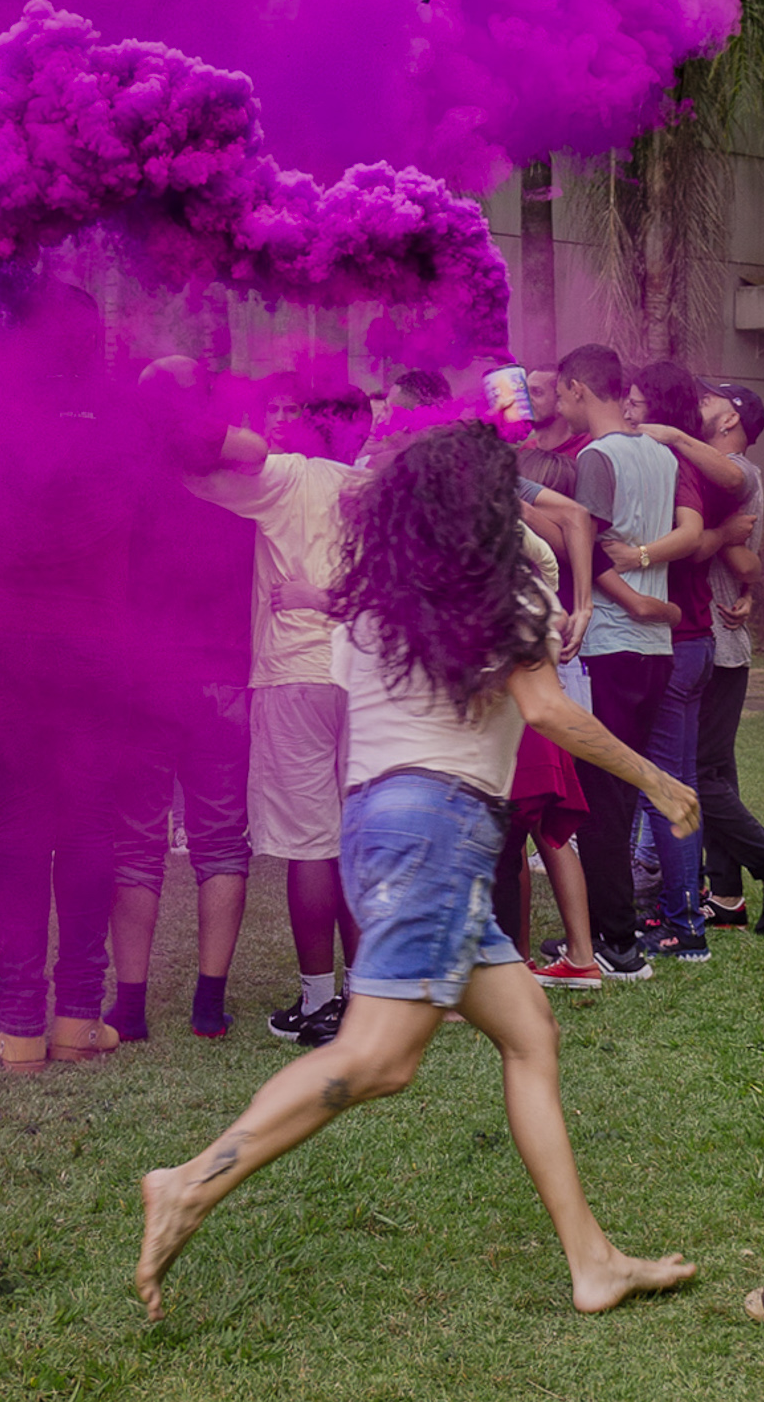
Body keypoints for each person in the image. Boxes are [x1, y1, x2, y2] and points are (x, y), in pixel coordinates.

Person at [135, 419, 699, 1322]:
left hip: (389, 827)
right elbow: (546, 708)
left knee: (529, 1033)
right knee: (378, 1059)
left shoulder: (380, 593)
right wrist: (657, 779)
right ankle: (192, 1181)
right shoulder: (499, 586)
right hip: (438, 827)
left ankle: (593, 1262)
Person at [0, 284, 144, 1072]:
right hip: (94, 643)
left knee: (19, 832)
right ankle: (76, 1019)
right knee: (89, 826)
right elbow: (143, 519)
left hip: (1, 645)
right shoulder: (118, 412)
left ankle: (20, 1025)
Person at [185, 388, 369, 1048]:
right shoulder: (375, 487)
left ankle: (320, 1001)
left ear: (314, 429)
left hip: (296, 671)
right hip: (368, 676)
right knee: (353, 837)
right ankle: (364, 997)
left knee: (311, 844)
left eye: (290, 416)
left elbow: (197, 475)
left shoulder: (291, 474)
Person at [640, 380, 764, 935]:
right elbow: (748, 568)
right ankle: (729, 893)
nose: (702, 403)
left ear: (731, 419)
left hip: (715, 638)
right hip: (719, 634)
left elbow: (743, 561)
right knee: (716, 773)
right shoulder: (712, 464)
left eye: (712, 399)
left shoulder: (738, 468)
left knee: (701, 776)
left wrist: (721, 544)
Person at [553, 345, 702, 979]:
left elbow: (587, 543)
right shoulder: (660, 454)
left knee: (604, 798)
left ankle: (615, 944)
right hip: (653, 653)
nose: (560, 408)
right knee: (627, 785)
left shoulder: (595, 455)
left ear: (579, 388)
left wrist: (631, 601)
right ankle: (623, 935)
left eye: (561, 396)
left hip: (612, 641)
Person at [106, 437, 256, 1043]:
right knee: (220, 843)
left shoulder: (126, 513)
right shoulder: (242, 518)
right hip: (221, 686)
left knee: (137, 845)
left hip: (144, 686)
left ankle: (132, 1007)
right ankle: (208, 1008)